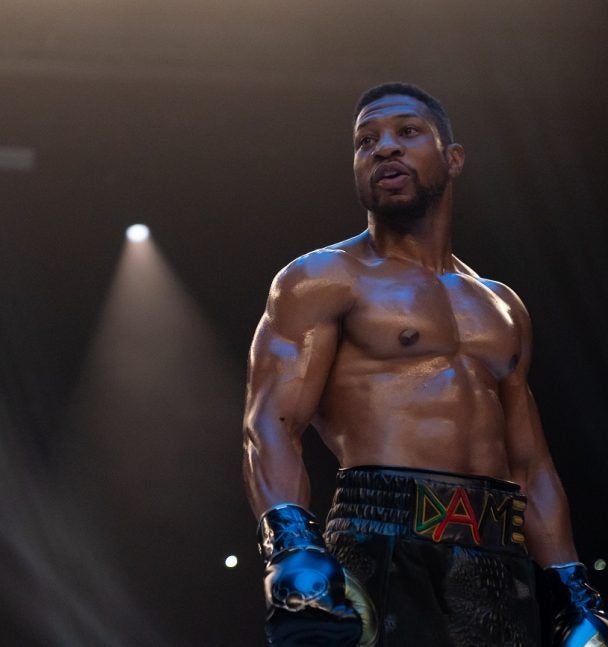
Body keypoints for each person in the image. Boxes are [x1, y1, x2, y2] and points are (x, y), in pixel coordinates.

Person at [241, 82, 608, 646]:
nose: (384, 147)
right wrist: (290, 544)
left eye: (407, 132)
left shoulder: (502, 306)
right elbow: (271, 422)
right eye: (366, 141)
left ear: (452, 158)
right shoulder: (322, 278)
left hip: (497, 555)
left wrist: (571, 591)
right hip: (380, 538)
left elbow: (530, 465)